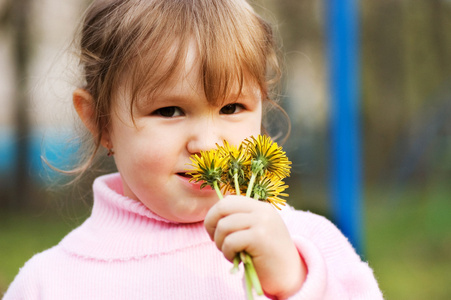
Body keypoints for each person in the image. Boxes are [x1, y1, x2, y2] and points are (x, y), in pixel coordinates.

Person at [3, 0, 383, 299]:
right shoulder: (49, 284)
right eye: (169, 111)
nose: (207, 144)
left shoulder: (310, 247)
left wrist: (293, 283)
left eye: (231, 108)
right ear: (100, 122)